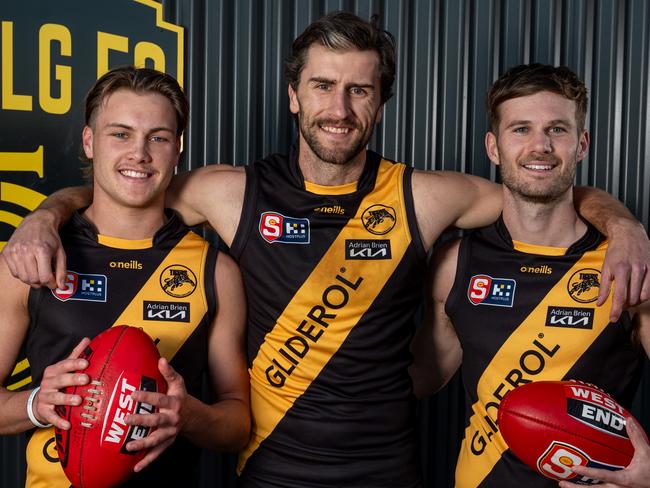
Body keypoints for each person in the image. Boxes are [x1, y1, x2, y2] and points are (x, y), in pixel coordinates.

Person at [3, 13, 650, 488]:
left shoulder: (424, 197)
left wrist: (624, 228)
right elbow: (124, 186)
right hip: (271, 472)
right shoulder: (228, 192)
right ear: (294, 96)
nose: (338, 108)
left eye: (359, 90)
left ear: (380, 104)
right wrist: (45, 214)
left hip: (387, 471)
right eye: (321, 86)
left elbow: (539, 187)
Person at [0, 66, 250, 487]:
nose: (140, 153)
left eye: (158, 137)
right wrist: (33, 405)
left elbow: (238, 423)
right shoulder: (34, 257)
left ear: (178, 148)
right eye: (120, 134)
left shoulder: (215, 272)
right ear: (88, 141)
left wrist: (188, 414)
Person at [409, 63, 650, 488]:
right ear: (493, 146)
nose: (540, 146)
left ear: (581, 144)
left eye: (557, 129)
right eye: (520, 129)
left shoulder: (625, 268)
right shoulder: (454, 264)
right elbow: (419, 377)